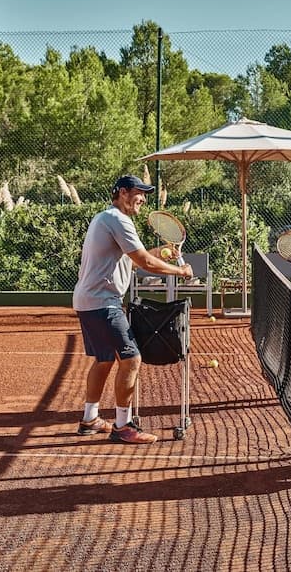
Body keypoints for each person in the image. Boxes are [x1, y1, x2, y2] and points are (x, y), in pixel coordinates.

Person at [72, 174, 193, 444]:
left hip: (87, 301)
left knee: (104, 359)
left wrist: (159, 252)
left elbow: (133, 259)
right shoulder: (118, 219)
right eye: (139, 193)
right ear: (123, 193)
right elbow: (145, 263)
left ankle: (90, 419)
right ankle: (123, 426)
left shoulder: (104, 218)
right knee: (131, 359)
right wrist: (181, 271)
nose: (143, 199)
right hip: (103, 302)